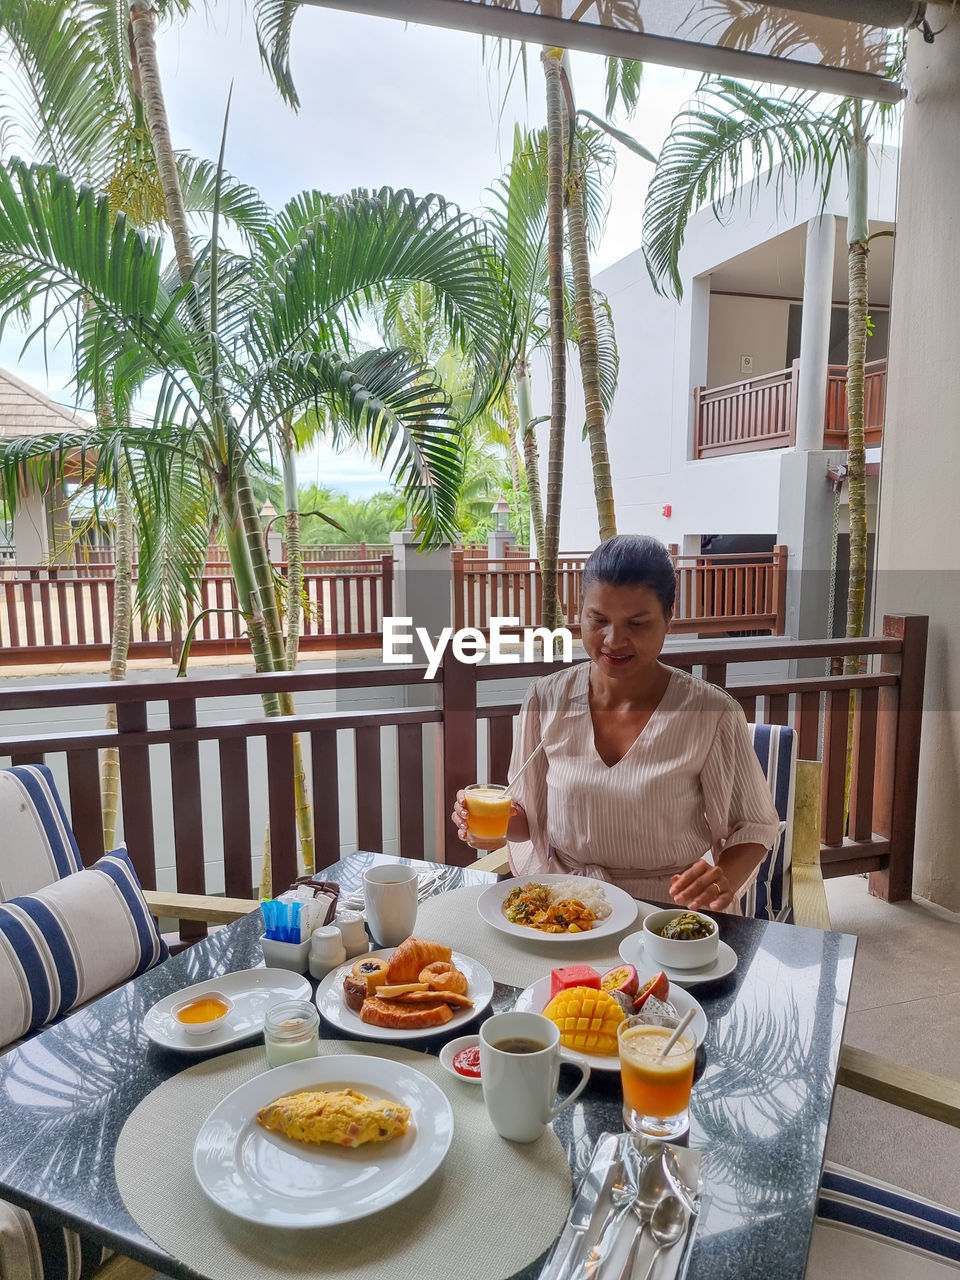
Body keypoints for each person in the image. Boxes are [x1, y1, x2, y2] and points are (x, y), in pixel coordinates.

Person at [451, 534, 781, 912]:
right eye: (598, 619)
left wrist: (723, 878)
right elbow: (527, 819)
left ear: (668, 618)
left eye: (637, 623)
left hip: (666, 913)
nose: (613, 640)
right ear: (580, 614)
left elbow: (754, 826)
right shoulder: (546, 699)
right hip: (568, 906)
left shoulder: (711, 713)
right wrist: (484, 818)